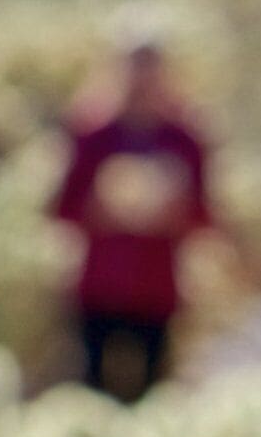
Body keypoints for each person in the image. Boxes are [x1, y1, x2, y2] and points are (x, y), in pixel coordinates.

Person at [47, 35, 215, 400]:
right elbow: (62, 208)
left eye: (150, 71)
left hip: (157, 292)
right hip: (98, 289)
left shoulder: (185, 138)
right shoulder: (92, 134)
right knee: (92, 390)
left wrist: (171, 210)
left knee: (154, 395)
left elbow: (205, 217)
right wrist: (102, 207)